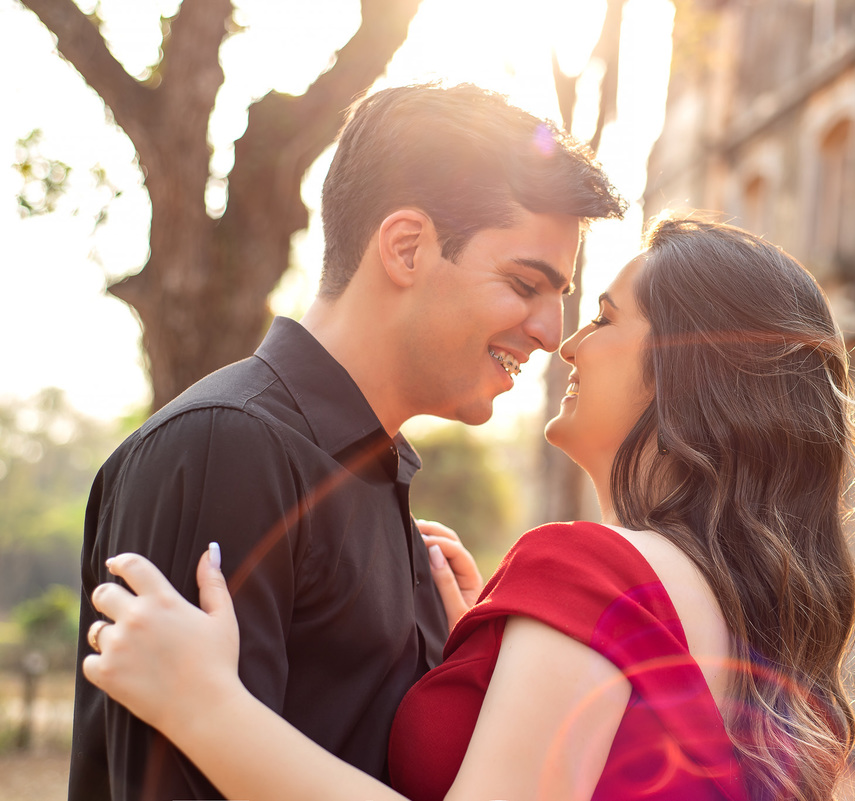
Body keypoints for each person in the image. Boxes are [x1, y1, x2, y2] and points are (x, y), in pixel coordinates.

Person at [83, 218, 855, 801]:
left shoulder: (594, 568)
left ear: (690, 368)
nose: (565, 344)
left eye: (605, 317)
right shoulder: (739, 618)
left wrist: (206, 706)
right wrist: (501, 663)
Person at [68, 83, 625, 801]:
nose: (552, 331)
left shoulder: (373, 475)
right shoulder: (228, 449)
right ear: (405, 247)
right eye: (525, 283)